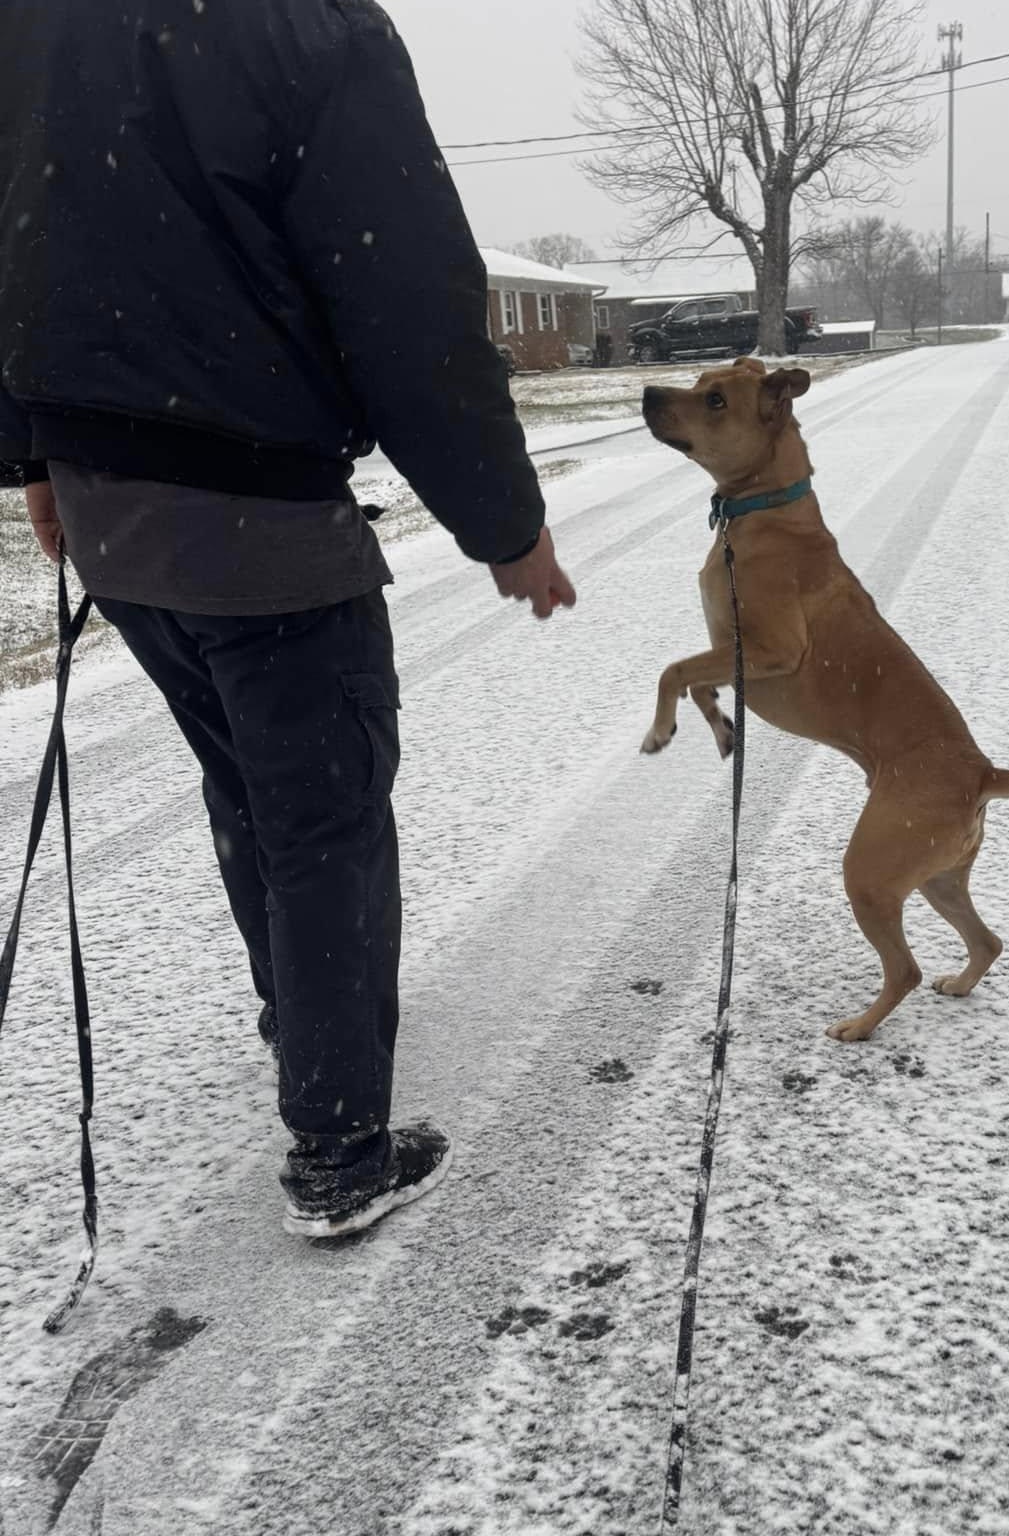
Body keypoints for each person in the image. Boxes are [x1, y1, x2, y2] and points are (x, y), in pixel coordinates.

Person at [0, 0, 577, 1238]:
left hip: (108, 506)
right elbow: (411, 297)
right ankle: (338, 1148)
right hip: (254, 504)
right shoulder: (313, 31)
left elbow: (17, 237)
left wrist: (36, 453)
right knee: (324, 814)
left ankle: (302, 1014)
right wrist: (505, 527)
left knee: (246, 783)